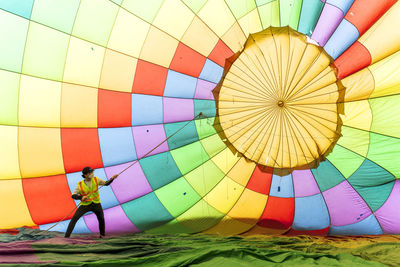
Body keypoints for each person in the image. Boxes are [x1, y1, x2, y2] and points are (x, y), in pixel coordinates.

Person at [64, 166, 118, 238]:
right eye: (90, 172)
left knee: (101, 219)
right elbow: (73, 195)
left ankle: (102, 236)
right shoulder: (80, 184)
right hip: (85, 205)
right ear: (85, 175)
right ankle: (66, 237)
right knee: (74, 219)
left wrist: (112, 178)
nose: (92, 173)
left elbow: (106, 183)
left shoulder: (96, 179)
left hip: (96, 204)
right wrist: (81, 197)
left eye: (92, 172)